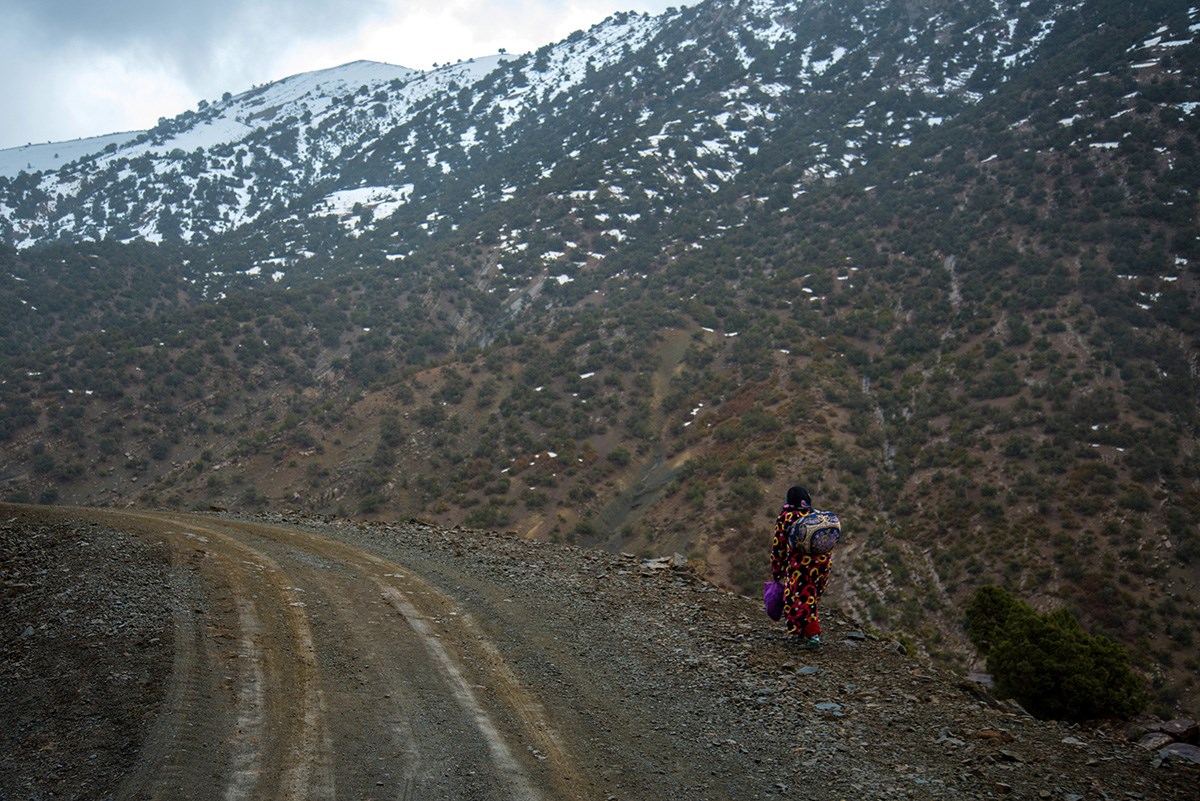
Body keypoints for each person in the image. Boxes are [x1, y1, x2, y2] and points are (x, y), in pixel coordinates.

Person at [770, 485, 831, 650]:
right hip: (821, 565)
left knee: (799, 598)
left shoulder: (786, 517)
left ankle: (813, 636)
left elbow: (779, 546)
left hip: (800, 566)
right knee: (810, 597)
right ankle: (804, 631)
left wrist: (777, 570)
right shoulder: (814, 514)